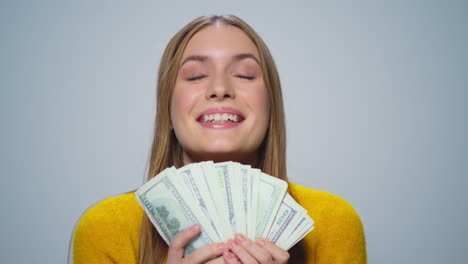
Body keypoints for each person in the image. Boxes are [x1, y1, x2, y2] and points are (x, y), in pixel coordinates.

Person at [72, 14, 367, 264]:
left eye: (245, 74)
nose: (220, 88)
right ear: (168, 110)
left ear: (270, 105)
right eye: (196, 76)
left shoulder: (332, 223)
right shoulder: (105, 227)